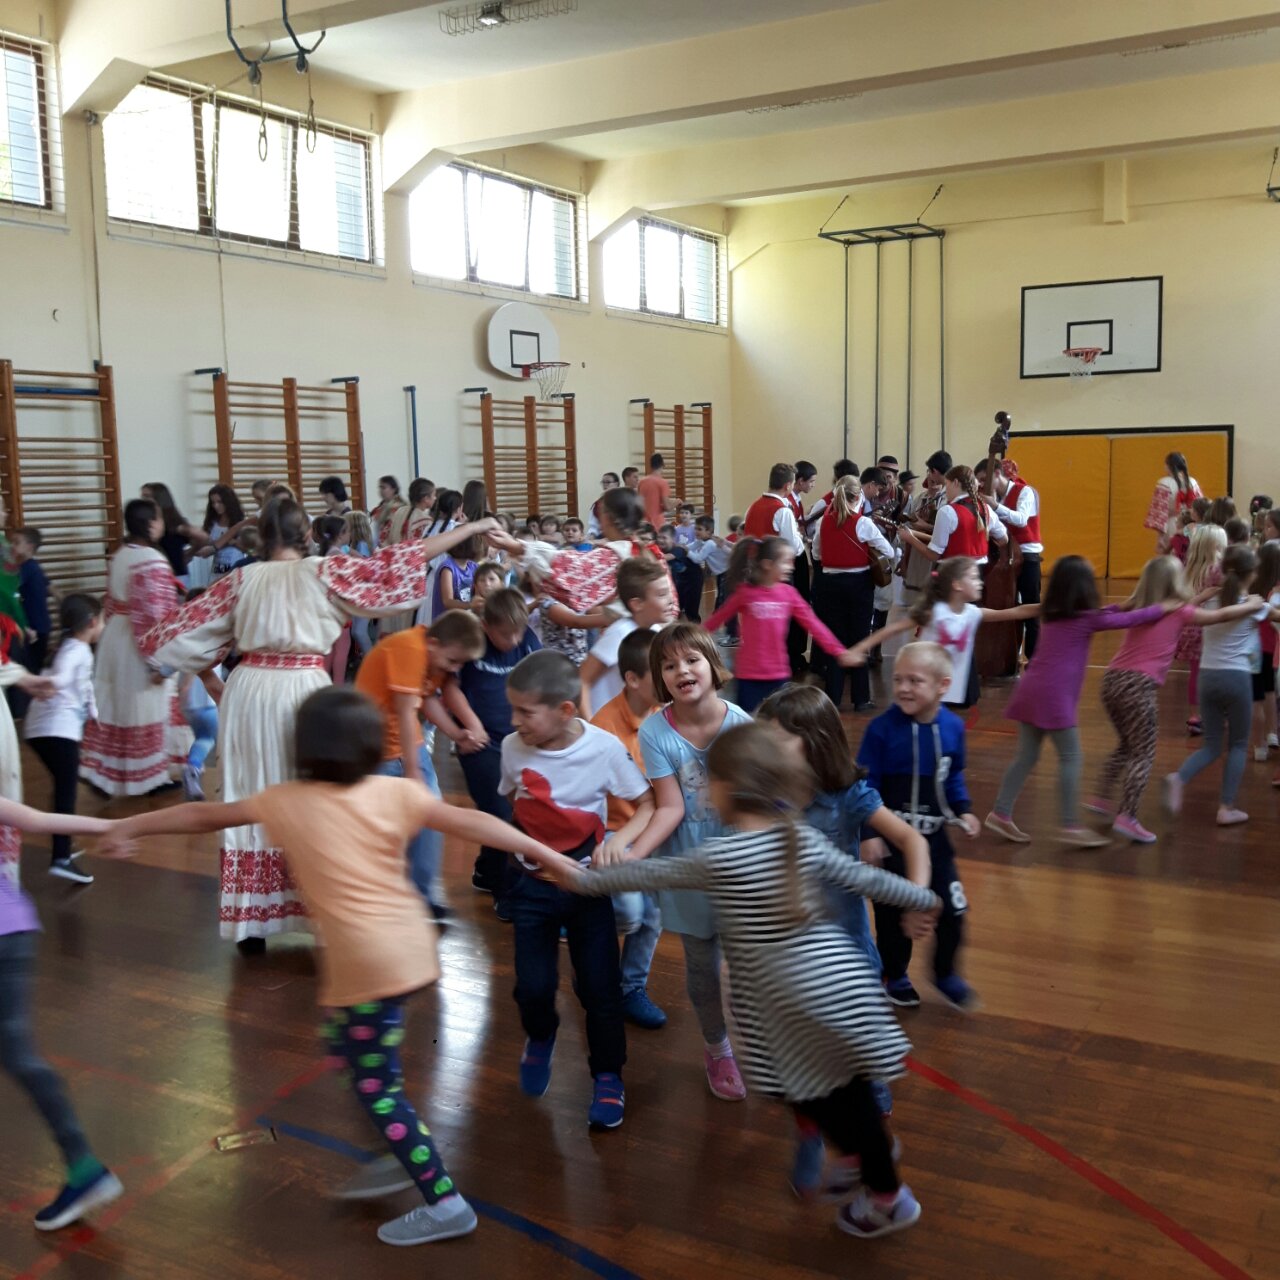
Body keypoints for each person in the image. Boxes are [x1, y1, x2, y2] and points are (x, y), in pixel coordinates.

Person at [106, 686, 567, 1247]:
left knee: (377, 1086)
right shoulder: (394, 792)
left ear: (304, 746)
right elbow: (474, 824)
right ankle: (395, 1153)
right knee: (354, 1053)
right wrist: (549, 855)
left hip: (368, 969)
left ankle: (444, 1200)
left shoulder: (286, 800)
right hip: (408, 952)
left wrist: (130, 826)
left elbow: (203, 815)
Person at [530, 720, 940, 1240]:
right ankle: (863, 1154)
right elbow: (865, 878)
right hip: (842, 992)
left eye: (710, 783)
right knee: (839, 1092)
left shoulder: (721, 856)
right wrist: (922, 898)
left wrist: (582, 879)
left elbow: (650, 873)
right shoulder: (801, 838)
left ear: (727, 790)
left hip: (797, 1009)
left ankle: (887, 1198)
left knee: (821, 1095)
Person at [140, 498, 498, 952]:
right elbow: (404, 558)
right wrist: (472, 529)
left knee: (249, 795)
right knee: (314, 797)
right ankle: (319, 913)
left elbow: (175, 635)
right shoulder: (326, 572)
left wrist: (209, 676)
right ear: (307, 534)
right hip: (303, 691)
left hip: (250, 692)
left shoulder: (239, 580)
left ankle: (253, 922)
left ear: (262, 537)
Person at [756, 684, 931, 1200]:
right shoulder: (764, 797)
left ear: (813, 742)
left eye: (777, 740)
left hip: (846, 959)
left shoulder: (847, 797)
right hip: (786, 960)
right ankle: (810, 1133)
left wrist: (917, 896)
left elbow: (911, 839)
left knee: (860, 1065)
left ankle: (874, 1144)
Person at [501, 652, 653, 1127]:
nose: (514, 721)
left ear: (565, 710)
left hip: (588, 891)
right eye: (513, 710)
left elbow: (647, 803)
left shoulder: (603, 749)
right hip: (532, 888)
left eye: (526, 712)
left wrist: (619, 842)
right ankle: (540, 1035)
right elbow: (513, 802)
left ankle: (608, 1076)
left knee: (600, 990)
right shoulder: (512, 747)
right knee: (533, 987)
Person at [622, 623, 753, 1099]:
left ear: (713, 665)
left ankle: (760, 1041)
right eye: (669, 664)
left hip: (738, 863)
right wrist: (634, 857)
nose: (682, 670)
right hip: (688, 864)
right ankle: (717, 1048)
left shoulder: (742, 725)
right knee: (701, 965)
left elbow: (755, 806)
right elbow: (671, 807)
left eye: (692, 659)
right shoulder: (655, 731)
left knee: (749, 963)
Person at [984, 557, 1170, 847]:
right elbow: (1127, 620)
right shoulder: (1085, 620)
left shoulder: (1053, 612)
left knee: (1026, 757)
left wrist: (1125, 604)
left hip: (1030, 690)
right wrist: (1163, 607)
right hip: (1054, 697)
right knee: (1071, 757)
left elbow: (1108, 614)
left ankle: (1001, 812)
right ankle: (1070, 826)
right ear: (1083, 588)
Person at [1, 797, 124, 1231]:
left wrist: (115, 829)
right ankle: (83, 1166)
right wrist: (112, 828)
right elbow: (40, 820)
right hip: (14, 929)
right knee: (19, 1056)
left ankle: (84, 1168)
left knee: (19, 1056)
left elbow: (38, 820)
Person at [1084, 556, 1263, 842]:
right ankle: (1128, 816)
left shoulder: (1141, 605)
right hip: (1138, 685)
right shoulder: (1180, 612)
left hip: (1112, 681)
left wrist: (1203, 596)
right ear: (1175, 582)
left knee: (1127, 745)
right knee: (1143, 753)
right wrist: (1251, 605)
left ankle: (1101, 798)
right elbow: (1219, 617)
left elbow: (1187, 605)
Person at [856, 641, 980, 1011]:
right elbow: (865, 787)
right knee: (892, 919)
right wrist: (869, 834)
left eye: (915, 681)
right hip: (889, 846)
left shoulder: (953, 728)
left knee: (953, 911)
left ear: (943, 685)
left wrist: (963, 809)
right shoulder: (881, 730)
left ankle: (945, 973)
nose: (904, 688)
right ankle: (895, 974)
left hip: (935, 845)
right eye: (898, 679)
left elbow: (952, 776)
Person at [356, 610, 486, 919]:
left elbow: (427, 700)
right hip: (375, 749)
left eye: (459, 664)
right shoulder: (409, 648)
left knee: (430, 817)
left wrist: (456, 733)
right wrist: (413, 771)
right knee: (380, 828)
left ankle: (419, 897)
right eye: (452, 661)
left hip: (406, 746)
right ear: (434, 643)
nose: (454, 669)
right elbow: (405, 712)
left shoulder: (432, 655)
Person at [1164, 546, 1280, 827]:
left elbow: (1183, 608)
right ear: (1251, 574)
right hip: (1236, 678)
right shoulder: (1254, 606)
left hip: (1207, 677)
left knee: (1212, 745)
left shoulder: (1211, 603)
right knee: (1238, 744)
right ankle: (1226, 807)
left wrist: (1204, 594)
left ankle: (1178, 778)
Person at [79, 499, 184, 798]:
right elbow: (154, 614)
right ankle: (150, 778)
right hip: (138, 642)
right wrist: (159, 661)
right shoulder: (152, 560)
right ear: (150, 523)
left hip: (116, 636)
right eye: (159, 519)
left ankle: (106, 775)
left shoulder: (120, 555)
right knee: (143, 706)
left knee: (116, 707)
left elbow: (111, 602)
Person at [589, 628, 665, 1030]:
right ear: (632, 679)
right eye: (661, 671)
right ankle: (595, 972)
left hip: (652, 831)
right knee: (630, 913)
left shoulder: (663, 715)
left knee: (652, 915)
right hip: (614, 835)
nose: (671, 678)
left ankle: (630, 988)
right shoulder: (603, 729)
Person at [851, 557, 1039, 710]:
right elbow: (893, 629)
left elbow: (1015, 612)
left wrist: (1049, 606)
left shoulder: (972, 614)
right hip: (920, 693)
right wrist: (858, 649)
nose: (980, 582)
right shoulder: (935, 613)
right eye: (973, 578)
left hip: (946, 695)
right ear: (957, 585)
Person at [457, 589, 543, 908]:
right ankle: (504, 892)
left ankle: (486, 870)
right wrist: (469, 725)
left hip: (519, 743)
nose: (514, 639)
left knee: (516, 812)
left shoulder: (527, 641)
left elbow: (540, 681)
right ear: (485, 626)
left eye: (518, 631)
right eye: (506, 634)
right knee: (500, 812)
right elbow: (450, 687)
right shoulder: (472, 644)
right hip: (480, 743)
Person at [705, 536, 854, 714]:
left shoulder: (789, 594)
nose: (792, 567)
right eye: (786, 562)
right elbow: (715, 620)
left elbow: (814, 625)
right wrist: (686, 638)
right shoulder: (745, 593)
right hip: (748, 675)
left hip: (778, 674)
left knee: (778, 723)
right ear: (768, 564)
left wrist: (838, 651)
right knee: (748, 724)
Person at [22, 594, 104, 884]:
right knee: (66, 792)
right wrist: (45, 684)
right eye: (102, 620)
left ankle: (62, 845)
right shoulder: (76, 651)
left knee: (63, 788)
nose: (103, 626)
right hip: (56, 730)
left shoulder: (68, 647)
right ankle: (61, 857)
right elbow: (62, 677)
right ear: (92, 622)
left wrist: (93, 712)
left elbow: (84, 685)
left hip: (42, 731)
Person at [810, 476, 894, 712]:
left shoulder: (823, 522)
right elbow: (888, 551)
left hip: (829, 583)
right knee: (859, 639)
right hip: (858, 585)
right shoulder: (863, 523)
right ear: (858, 497)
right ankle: (861, 698)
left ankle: (833, 697)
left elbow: (816, 553)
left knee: (834, 641)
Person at [579, 556, 677, 718]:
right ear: (637, 604)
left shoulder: (655, 631)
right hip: (607, 724)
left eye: (669, 592)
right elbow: (582, 680)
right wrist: (590, 726)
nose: (671, 600)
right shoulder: (619, 634)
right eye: (661, 594)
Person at [975, 458, 1043, 660]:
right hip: (1003, 557)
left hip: (1027, 556)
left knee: (1031, 606)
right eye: (980, 481)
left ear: (997, 473)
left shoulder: (1025, 491)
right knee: (1005, 607)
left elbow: (1021, 519)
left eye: (984, 479)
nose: (982, 485)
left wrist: (994, 505)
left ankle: (1034, 657)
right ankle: (1005, 655)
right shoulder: (993, 496)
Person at [897, 465, 1007, 567]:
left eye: (947, 484)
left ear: (955, 483)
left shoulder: (947, 512)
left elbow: (933, 555)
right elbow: (1003, 539)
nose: (945, 490)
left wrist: (909, 538)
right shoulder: (986, 509)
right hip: (978, 574)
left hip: (952, 573)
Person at [1177, 523, 1227, 736]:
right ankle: (1215, 714)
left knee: (1196, 674)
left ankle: (1195, 715)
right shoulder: (1216, 570)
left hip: (1191, 629)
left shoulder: (1189, 571)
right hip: (1210, 628)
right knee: (1216, 673)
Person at [141, 483, 207, 586]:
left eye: (147, 497)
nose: (143, 501)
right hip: (156, 577)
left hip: (177, 577)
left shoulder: (174, 524)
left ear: (159, 499)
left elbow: (203, 537)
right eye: (142, 497)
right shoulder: (146, 523)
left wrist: (191, 552)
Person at [11, 527, 53, 676]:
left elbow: (10, 588)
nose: (12, 546)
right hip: (41, 626)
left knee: (31, 669)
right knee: (33, 667)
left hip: (35, 628)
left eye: (17, 542)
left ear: (29, 546)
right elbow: (51, 588)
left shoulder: (27, 568)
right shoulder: (34, 567)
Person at [1145, 452, 1202, 554]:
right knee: (1189, 555)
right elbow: (1200, 507)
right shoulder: (1192, 482)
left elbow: (1160, 513)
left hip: (1171, 525)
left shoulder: (1164, 483)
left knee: (1171, 557)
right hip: (1192, 526)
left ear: (1168, 466)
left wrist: (1160, 537)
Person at [430, 531, 482, 622]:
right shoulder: (448, 568)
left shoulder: (474, 567)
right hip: (446, 623)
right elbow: (447, 601)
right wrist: (470, 605)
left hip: (464, 622)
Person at [199, 485, 249, 576]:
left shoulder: (240, 522)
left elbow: (250, 549)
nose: (216, 506)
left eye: (220, 502)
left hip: (235, 565)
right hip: (218, 567)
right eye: (213, 502)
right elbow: (204, 545)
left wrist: (233, 543)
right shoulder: (211, 522)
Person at [370, 475, 406, 547]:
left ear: (393, 489)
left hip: (392, 545)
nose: (381, 490)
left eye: (383, 488)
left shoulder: (399, 507)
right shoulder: (380, 507)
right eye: (380, 487)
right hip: (378, 544)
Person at [636, 453, 671, 528]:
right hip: (657, 524)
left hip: (644, 524)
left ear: (651, 466)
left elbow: (639, 504)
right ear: (663, 465)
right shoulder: (663, 482)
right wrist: (677, 502)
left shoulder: (641, 482)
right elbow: (667, 507)